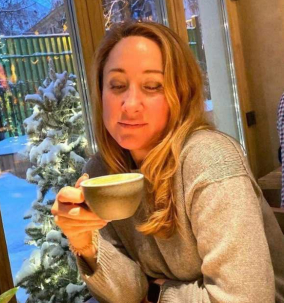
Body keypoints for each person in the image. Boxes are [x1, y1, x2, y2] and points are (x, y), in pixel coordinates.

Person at [51, 21, 284, 303]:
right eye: (117, 85)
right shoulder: (101, 173)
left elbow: (247, 298)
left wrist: (157, 292)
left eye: (152, 86)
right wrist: (85, 241)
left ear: (182, 94)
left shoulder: (210, 159)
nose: (130, 104)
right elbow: (127, 295)